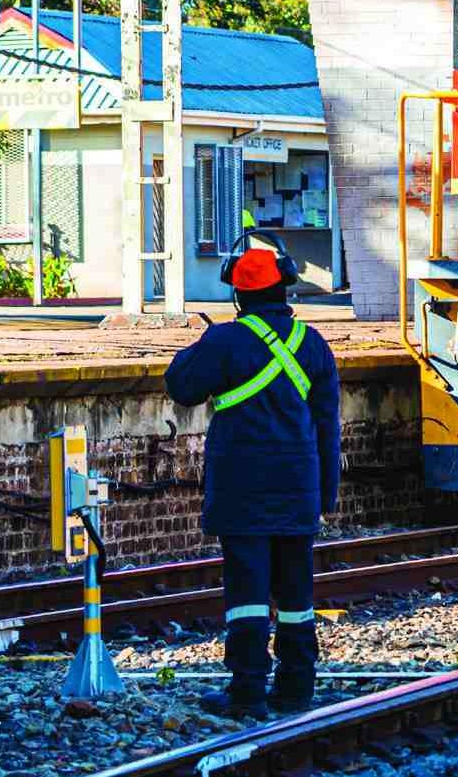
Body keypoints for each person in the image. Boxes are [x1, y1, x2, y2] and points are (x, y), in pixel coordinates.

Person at [164, 240, 341, 718]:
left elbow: (180, 385)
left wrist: (201, 345)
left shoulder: (224, 341)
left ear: (238, 297)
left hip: (242, 489)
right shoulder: (314, 345)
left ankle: (247, 691)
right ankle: (296, 687)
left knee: (246, 593)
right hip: (298, 490)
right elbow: (328, 426)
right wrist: (325, 496)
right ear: (285, 288)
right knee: (296, 593)